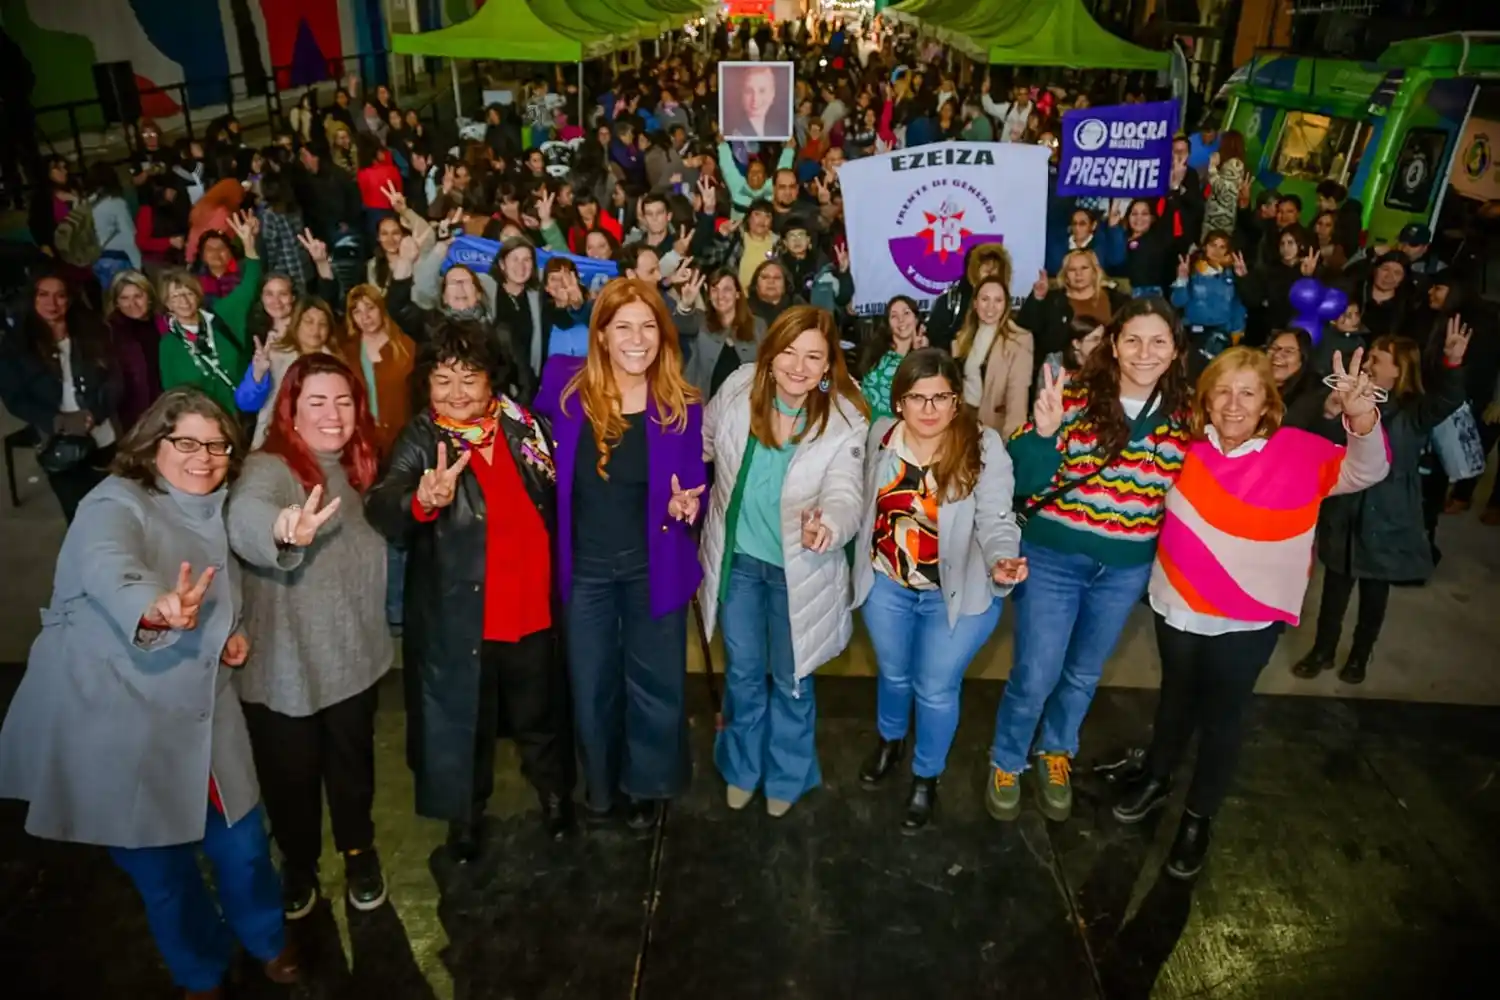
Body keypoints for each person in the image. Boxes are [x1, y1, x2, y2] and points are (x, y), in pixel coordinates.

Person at [0, 388, 300, 997]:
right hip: (121, 718)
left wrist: (231, 633)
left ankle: (266, 938)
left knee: (244, 845)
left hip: (204, 710)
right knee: (161, 872)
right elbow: (109, 564)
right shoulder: (112, 502)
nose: (204, 458)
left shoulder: (215, 505)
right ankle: (199, 970)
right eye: (186, 442)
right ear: (151, 444)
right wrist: (154, 608)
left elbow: (224, 590)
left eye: (217, 446)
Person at [1112, 346, 1390, 878]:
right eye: (1221, 391)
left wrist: (1360, 416)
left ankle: (1198, 818)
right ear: (1205, 400)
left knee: (1223, 717)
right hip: (1176, 605)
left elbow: (1369, 469)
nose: (1233, 404)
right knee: (1174, 699)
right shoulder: (1182, 447)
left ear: (1268, 402)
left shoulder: (1301, 451)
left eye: (1247, 392)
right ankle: (1157, 777)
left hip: (1247, 619)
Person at [366, 320, 574, 858]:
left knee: (540, 717)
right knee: (467, 723)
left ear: (491, 379)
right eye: (443, 380)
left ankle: (555, 796)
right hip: (462, 620)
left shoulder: (526, 426)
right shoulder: (422, 437)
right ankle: (465, 816)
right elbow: (383, 503)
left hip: (532, 609)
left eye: (469, 378)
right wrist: (422, 500)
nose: (456, 393)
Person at [986, 299, 1192, 824]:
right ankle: (1007, 759)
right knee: (1036, 673)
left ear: (1175, 350)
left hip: (1123, 571)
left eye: (1159, 342)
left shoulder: (1187, 416)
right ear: (1114, 345)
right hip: (1053, 560)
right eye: (1133, 340)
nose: (1145, 352)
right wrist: (1044, 433)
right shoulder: (1072, 395)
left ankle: (1056, 750)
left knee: (1082, 673)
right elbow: (1021, 480)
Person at [534, 279, 705, 830]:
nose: (637, 338)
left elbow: (694, 486)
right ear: (601, 335)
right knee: (592, 687)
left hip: (652, 567)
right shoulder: (562, 388)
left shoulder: (681, 405)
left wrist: (686, 506)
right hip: (585, 571)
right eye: (623, 326)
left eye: (649, 326)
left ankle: (646, 787)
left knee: (656, 687)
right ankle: (602, 789)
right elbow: (532, 459)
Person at [227, 354, 393, 918]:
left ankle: (359, 853)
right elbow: (246, 515)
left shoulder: (360, 465)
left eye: (343, 401)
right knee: (289, 779)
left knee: (353, 772)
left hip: (353, 657)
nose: (332, 414)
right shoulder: (269, 467)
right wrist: (282, 529)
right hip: (286, 667)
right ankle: (299, 863)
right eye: (316, 401)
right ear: (290, 410)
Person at [697, 305, 870, 818]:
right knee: (745, 675)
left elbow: (845, 493)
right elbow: (703, 445)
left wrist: (830, 525)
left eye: (813, 357)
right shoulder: (737, 389)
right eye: (789, 352)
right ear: (770, 354)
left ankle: (789, 774)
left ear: (828, 365)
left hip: (801, 574)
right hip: (740, 565)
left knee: (793, 681)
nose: (799, 366)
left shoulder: (845, 420)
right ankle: (741, 766)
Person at [853, 349, 1026, 830]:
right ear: (899, 402)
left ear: (956, 401)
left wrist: (1001, 557)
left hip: (960, 592)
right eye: (917, 398)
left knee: (934, 688)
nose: (929, 409)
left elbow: (996, 519)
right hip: (887, 583)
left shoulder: (982, 445)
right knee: (894, 674)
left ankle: (926, 775)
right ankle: (891, 740)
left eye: (941, 397)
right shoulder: (879, 437)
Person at [1293, 324, 1471, 684]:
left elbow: (1448, 399)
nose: (1368, 364)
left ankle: (1360, 655)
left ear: (1399, 369)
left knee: (1375, 593)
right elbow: (1320, 439)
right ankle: (1322, 650)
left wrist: (1453, 364)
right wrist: (1329, 411)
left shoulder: (1413, 412)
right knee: (1334, 589)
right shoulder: (1351, 400)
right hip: (1345, 509)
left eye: (1377, 359)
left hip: (1387, 515)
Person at [0, 274, 120, 522]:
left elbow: (116, 381)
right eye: (43, 294)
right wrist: (57, 421)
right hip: (57, 441)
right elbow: (14, 399)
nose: (51, 303)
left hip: (102, 434)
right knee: (79, 516)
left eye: (60, 295)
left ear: (70, 300)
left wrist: (95, 414)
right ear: (32, 299)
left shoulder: (92, 333)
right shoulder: (16, 345)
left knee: (116, 508)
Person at [952, 275, 1033, 437]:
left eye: (998, 300)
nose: (991, 307)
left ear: (1006, 305)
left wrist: (1013, 439)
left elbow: (1017, 396)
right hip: (962, 420)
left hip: (993, 427)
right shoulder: (962, 338)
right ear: (975, 303)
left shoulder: (1020, 340)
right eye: (985, 299)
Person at [106, 270, 165, 430]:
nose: (132, 304)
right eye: (124, 298)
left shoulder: (163, 324)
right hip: (132, 413)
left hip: (166, 404)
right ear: (116, 302)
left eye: (138, 296)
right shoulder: (110, 331)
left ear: (149, 297)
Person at [858, 295, 925, 420]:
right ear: (888, 323)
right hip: (867, 422)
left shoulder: (924, 355)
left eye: (906, 313)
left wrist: (919, 352)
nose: (901, 320)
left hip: (903, 425)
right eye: (894, 316)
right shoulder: (876, 352)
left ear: (916, 319)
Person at [723, 64, 790, 140]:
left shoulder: (779, 128)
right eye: (749, 91)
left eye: (762, 91)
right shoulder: (734, 132)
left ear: (773, 94)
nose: (755, 98)